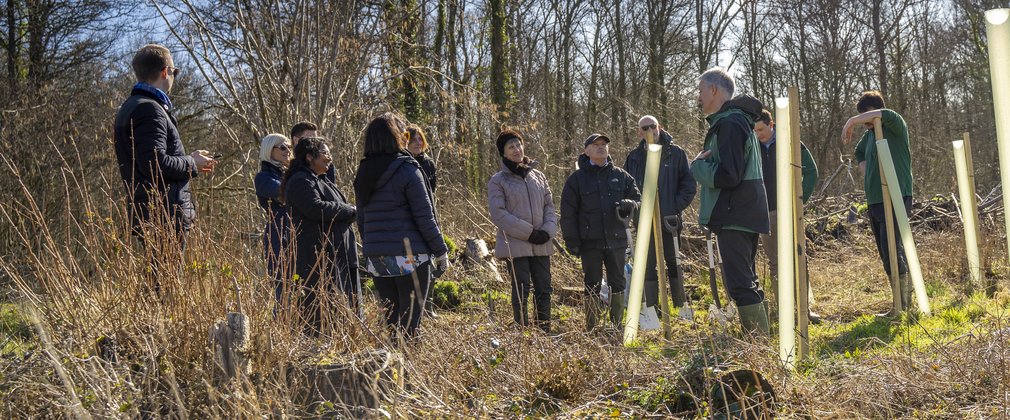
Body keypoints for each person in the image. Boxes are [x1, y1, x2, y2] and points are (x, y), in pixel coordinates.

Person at [113, 44, 216, 288]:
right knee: (163, 288)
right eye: (175, 71)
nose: (174, 77)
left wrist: (190, 157)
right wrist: (193, 163)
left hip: (151, 210)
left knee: (157, 283)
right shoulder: (151, 109)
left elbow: (149, 159)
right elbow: (154, 163)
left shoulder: (134, 106)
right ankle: (152, 327)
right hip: (163, 214)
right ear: (165, 71)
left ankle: (150, 324)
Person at [354, 113, 450, 338]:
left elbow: (362, 221)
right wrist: (440, 250)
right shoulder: (408, 169)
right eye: (404, 134)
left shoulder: (363, 172)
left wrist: (372, 248)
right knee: (410, 326)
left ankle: (391, 369)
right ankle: (409, 371)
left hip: (378, 259)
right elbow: (425, 217)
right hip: (411, 257)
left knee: (392, 323)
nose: (408, 139)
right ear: (396, 137)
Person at [690, 67, 770, 335]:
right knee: (747, 279)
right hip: (744, 211)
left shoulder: (730, 123)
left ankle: (757, 345)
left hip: (735, 212)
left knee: (739, 284)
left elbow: (730, 175)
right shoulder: (736, 121)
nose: (698, 97)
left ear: (714, 90)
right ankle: (761, 339)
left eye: (701, 91)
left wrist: (698, 167)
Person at [841, 90, 913, 315]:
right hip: (875, 199)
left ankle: (905, 305)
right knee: (884, 251)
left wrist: (851, 121)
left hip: (896, 195)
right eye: (860, 116)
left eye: (866, 115)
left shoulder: (893, 123)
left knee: (893, 248)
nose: (865, 121)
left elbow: (883, 114)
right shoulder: (870, 134)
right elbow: (858, 152)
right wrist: (866, 169)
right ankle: (897, 303)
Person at [561, 134, 641, 331]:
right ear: (586, 151)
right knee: (592, 283)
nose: (601, 148)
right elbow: (568, 212)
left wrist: (629, 204)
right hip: (590, 242)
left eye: (604, 144)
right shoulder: (577, 180)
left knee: (618, 281)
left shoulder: (621, 176)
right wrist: (571, 240)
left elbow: (638, 200)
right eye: (595, 145)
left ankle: (617, 325)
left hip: (616, 239)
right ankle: (592, 326)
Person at [282, 137, 359, 334]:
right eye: (325, 153)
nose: (329, 158)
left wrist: (347, 211)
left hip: (337, 255)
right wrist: (349, 210)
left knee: (347, 306)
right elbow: (316, 208)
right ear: (309, 157)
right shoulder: (300, 181)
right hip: (317, 258)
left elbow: (335, 208)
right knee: (322, 312)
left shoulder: (321, 179)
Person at [623, 115, 696, 318]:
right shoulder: (634, 158)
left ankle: (680, 306)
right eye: (644, 128)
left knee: (674, 262)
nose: (649, 130)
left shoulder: (676, 153)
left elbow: (689, 186)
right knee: (647, 265)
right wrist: (635, 211)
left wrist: (674, 207)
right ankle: (653, 310)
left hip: (669, 220)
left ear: (659, 127)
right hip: (645, 221)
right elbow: (628, 189)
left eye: (652, 126)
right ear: (639, 132)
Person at [755, 109, 821, 323]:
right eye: (755, 130)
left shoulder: (790, 141)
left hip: (790, 210)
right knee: (775, 263)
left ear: (771, 124)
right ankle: (785, 311)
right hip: (765, 212)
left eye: (762, 129)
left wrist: (799, 201)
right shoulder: (752, 146)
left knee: (798, 258)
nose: (759, 134)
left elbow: (811, 171)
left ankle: (805, 309)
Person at [487, 130, 557, 332]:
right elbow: (499, 214)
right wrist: (529, 233)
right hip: (515, 245)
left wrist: (547, 231)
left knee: (544, 289)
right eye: (511, 147)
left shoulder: (539, 176)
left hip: (542, 242)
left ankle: (544, 331)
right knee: (521, 290)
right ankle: (522, 335)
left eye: (518, 145)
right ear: (504, 153)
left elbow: (549, 207)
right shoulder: (498, 181)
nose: (517, 150)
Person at [255, 134, 293, 305]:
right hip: (278, 238)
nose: (288, 151)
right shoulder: (263, 178)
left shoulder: (289, 173)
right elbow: (286, 194)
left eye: (289, 147)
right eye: (283, 147)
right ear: (270, 150)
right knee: (283, 291)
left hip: (296, 235)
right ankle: (282, 328)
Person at [406, 124, 438, 197]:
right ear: (406, 142)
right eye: (413, 140)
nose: (418, 143)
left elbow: (431, 194)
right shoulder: (400, 162)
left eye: (420, 139)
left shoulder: (429, 164)